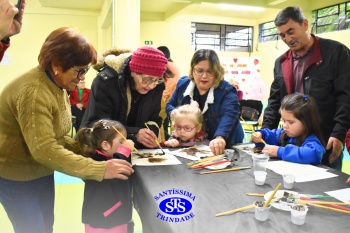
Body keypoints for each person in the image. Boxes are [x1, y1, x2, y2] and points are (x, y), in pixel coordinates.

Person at [0, 27, 134, 233]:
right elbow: (44, 149)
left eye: (85, 70)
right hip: (16, 176)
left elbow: (59, 138)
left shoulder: (58, 84)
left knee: (45, 226)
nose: (82, 77)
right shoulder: (35, 92)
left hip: (41, 169)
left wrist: (96, 157)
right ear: (56, 65)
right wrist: (98, 169)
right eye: (79, 70)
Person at [262, 6, 350, 171]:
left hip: (325, 139)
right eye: (282, 35)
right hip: (290, 142)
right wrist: (265, 134)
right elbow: (274, 102)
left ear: (305, 24)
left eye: (291, 31)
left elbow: (346, 97)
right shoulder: (281, 63)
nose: (288, 39)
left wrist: (338, 133)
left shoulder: (336, 53)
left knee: (324, 190)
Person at [80, 46, 168, 149]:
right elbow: (99, 122)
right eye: (147, 79)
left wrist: (150, 133)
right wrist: (134, 133)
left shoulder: (156, 86)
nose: (151, 85)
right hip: (103, 149)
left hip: (137, 149)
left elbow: (154, 117)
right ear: (133, 72)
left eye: (157, 80)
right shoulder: (106, 82)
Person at [166, 49, 244, 155]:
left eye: (209, 71)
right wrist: (173, 112)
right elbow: (170, 104)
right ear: (193, 70)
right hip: (195, 147)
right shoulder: (183, 84)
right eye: (199, 70)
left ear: (217, 72)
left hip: (226, 144)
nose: (204, 76)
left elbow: (229, 115)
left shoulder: (226, 90)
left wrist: (220, 137)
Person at [76, 119, 134, 233]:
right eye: (121, 142)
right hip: (105, 221)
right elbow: (117, 171)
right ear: (105, 145)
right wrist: (124, 151)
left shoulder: (110, 157)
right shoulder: (96, 162)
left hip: (114, 217)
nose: (125, 144)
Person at [252, 94, 325, 164]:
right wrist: (261, 135)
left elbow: (313, 154)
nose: (285, 126)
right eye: (284, 121)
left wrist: (279, 151)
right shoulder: (283, 133)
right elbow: (271, 135)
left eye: (291, 122)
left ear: (307, 122)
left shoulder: (311, 139)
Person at [157, 46, 181, 141]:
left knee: (161, 123)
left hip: (166, 100)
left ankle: (163, 142)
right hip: (173, 99)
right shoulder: (173, 65)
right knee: (168, 123)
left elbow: (168, 85)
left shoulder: (167, 65)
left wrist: (162, 98)